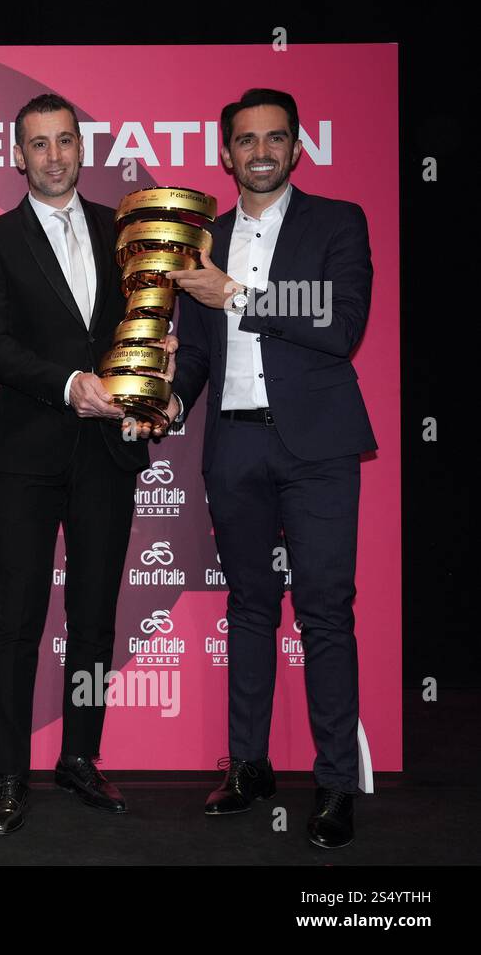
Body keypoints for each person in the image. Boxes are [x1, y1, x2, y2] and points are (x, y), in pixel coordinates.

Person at [165, 88, 375, 849]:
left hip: (316, 446)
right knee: (250, 609)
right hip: (235, 445)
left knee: (324, 612)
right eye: (246, 140)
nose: (260, 151)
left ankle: (333, 786)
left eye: (274, 138)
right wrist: (163, 404)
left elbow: (339, 320)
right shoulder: (201, 239)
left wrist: (239, 295)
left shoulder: (338, 222)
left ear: (296, 148)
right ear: (225, 153)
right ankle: (248, 767)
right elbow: (192, 354)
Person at [0, 93, 175, 835]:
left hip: (109, 455)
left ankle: (80, 758)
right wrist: (66, 386)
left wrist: (157, 362)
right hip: (27, 457)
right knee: (19, 621)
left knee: (92, 622)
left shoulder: (123, 231)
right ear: (17, 155)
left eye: (65, 142)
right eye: (39, 144)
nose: (54, 155)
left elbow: (143, 325)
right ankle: (9, 774)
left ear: (80, 150)